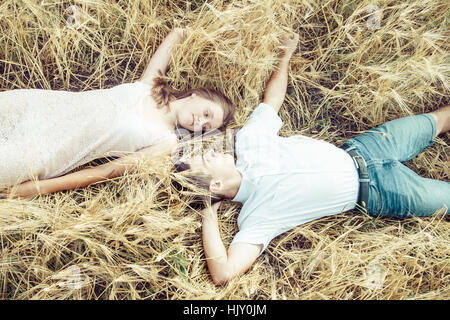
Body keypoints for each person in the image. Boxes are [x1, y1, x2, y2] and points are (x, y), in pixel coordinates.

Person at [175, 33, 450, 286]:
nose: (210, 150)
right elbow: (223, 272)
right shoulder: (257, 217)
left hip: (367, 148)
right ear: (215, 185)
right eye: (205, 159)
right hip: (381, 191)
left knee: (437, 120)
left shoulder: (249, 142)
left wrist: (285, 56)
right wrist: (207, 209)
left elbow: (272, 100)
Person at [0, 27, 234, 198]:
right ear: (197, 94)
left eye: (205, 126)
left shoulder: (166, 142)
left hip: (42, 152)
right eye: (206, 113)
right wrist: (206, 35)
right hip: (34, 107)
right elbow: (176, 35)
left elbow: (103, 172)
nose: (200, 121)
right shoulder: (149, 86)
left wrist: (38, 188)